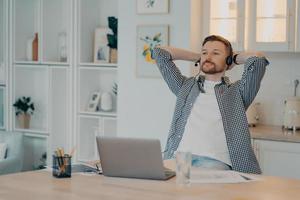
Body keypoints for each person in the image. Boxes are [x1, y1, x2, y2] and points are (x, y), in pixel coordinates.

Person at [153, 35, 269, 174]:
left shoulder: (238, 92)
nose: (208, 56)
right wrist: (199, 57)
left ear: (228, 60)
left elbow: (258, 59)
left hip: (214, 162)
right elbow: (159, 53)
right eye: (204, 52)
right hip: (180, 158)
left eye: (215, 53)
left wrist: (233, 59)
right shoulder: (185, 86)